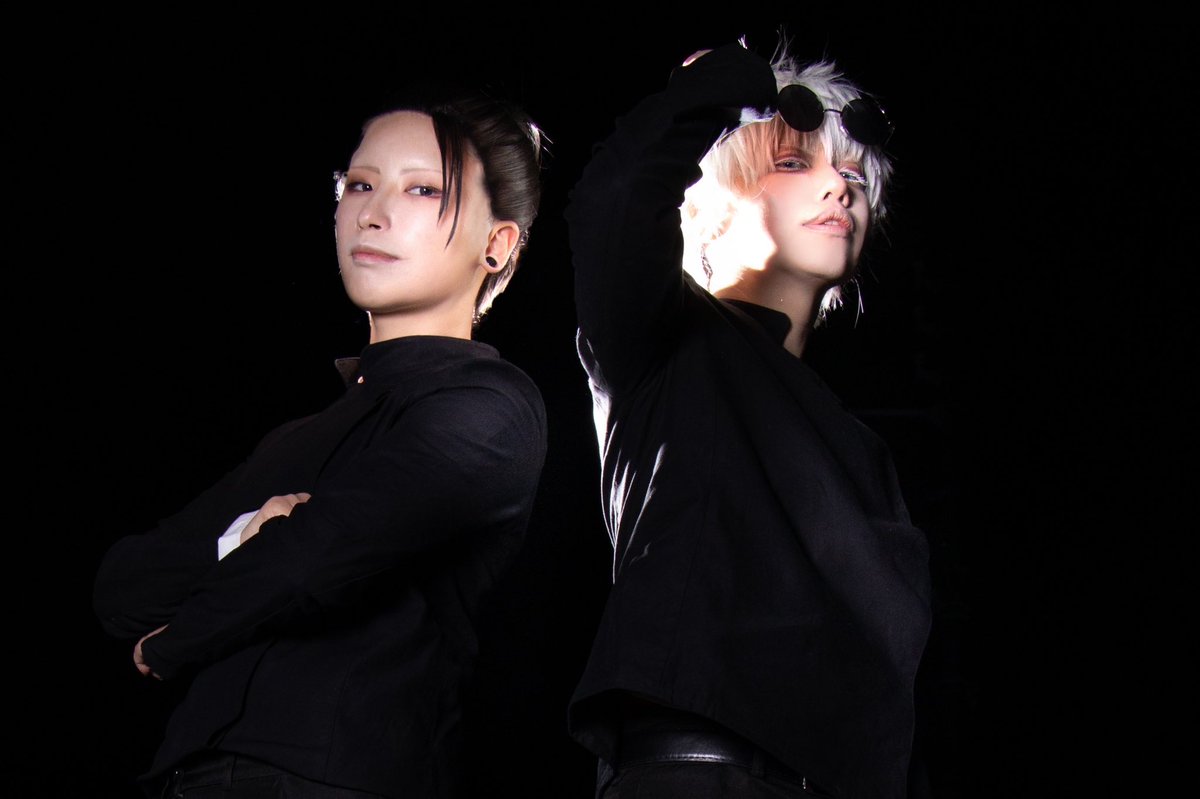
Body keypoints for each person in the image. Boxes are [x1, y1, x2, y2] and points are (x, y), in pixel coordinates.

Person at [93, 92, 548, 798]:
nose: (372, 213)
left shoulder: (490, 408)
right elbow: (122, 588)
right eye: (359, 184)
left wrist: (175, 641)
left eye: (423, 189)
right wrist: (245, 535)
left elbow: (313, 559)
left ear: (498, 243)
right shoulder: (298, 437)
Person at [566, 40, 931, 798]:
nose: (838, 188)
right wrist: (725, 87)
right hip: (691, 773)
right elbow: (619, 193)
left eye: (854, 176)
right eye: (793, 163)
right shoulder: (665, 339)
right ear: (712, 200)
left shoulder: (862, 451)